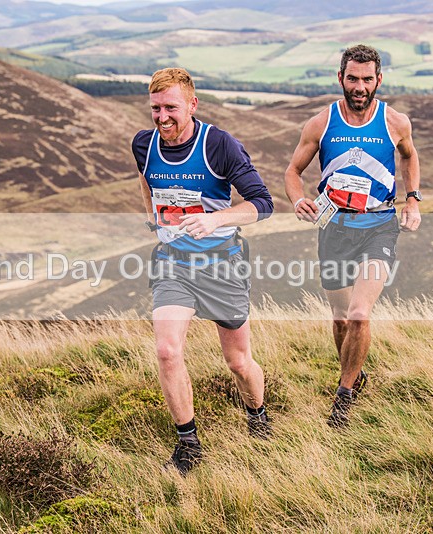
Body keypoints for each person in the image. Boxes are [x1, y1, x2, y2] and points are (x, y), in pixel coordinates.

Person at [132, 67, 274, 475]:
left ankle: (257, 416)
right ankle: (188, 444)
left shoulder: (220, 145)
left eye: (171, 108)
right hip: (173, 263)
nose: (162, 118)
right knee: (166, 350)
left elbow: (262, 203)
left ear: (192, 105)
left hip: (221, 263)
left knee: (238, 361)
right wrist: (154, 220)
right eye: (155, 108)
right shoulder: (144, 144)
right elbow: (147, 180)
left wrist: (216, 219)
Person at [284, 44, 422, 428]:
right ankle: (354, 374)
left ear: (379, 80)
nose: (359, 87)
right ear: (340, 79)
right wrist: (298, 201)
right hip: (334, 228)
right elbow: (293, 172)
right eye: (352, 79)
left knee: (360, 314)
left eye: (366, 79)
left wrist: (411, 200)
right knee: (342, 318)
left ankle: (343, 399)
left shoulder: (395, 122)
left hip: (379, 225)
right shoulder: (320, 124)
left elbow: (409, 156)